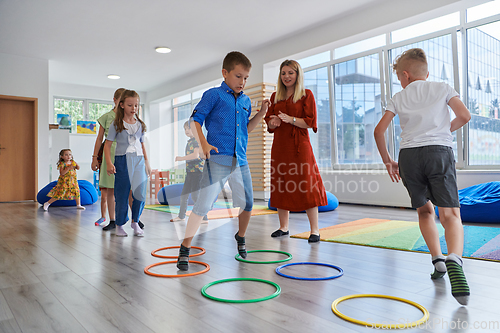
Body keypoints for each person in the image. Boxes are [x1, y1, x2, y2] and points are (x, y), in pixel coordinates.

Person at [373, 48, 471, 305]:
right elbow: (464, 116)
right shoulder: (442, 87)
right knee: (450, 214)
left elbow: (379, 131)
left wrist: (388, 162)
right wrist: (443, 131)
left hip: (409, 157)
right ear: (425, 73)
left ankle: (438, 261)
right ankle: (455, 259)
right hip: (438, 152)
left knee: (424, 211)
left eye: (399, 78)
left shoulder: (398, 96)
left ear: (405, 75)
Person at [176, 51, 267, 271]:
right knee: (203, 205)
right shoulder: (214, 95)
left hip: (241, 160)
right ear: (225, 73)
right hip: (218, 159)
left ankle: (241, 236)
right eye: (238, 76)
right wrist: (204, 144)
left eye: (246, 77)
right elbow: (195, 120)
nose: (243, 82)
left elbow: (246, 129)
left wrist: (261, 113)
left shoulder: (246, 100)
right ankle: (185, 247)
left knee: (248, 204)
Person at [264, 60, 328, 243]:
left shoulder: (307, 95)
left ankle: (314, 230)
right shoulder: (276, 96)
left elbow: (310, 122)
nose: (286, 77)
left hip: (300, 146)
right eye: (283, 73)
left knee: (306, 184)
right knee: (281, 183)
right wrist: (273, 122)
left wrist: (290, 119)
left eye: (290, 73)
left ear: (297, 74)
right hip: (280, 147)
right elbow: (270, 122)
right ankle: (283, 227)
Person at [91, 88, 144, 231]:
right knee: (111, 190)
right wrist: (95, 158)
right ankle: (113, 220)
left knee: (131, 189)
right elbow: (99, 140)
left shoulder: (135, 121)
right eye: (124, 102)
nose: (131, 107)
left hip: (130, 157)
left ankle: (135, 219)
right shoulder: (107, 117)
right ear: (116, 101)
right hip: (111, 155)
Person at [104, 90, 151, 237]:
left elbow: (143, 145)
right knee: (122, 194)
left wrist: (147, 163)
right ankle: (119, 225)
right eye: (130, 105)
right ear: (122, 105)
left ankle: (135, 221)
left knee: (140, 193)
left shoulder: (140, 125)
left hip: (139, 160)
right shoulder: (116, 124)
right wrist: (109, 163)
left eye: (136, 105)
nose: (134, 108)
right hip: (122, 160)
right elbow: (107, 145)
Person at [170, 121, 208, 222]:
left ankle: (204, 217)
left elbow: (195, 156)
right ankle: (181, 216)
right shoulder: (190, 141)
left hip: (197, 172)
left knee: (196, 196)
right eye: (185, 129)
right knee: (184, 195)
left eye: (189, 128)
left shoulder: (196, 140)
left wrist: (181, 158)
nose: (186, 131)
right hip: (190, 172)